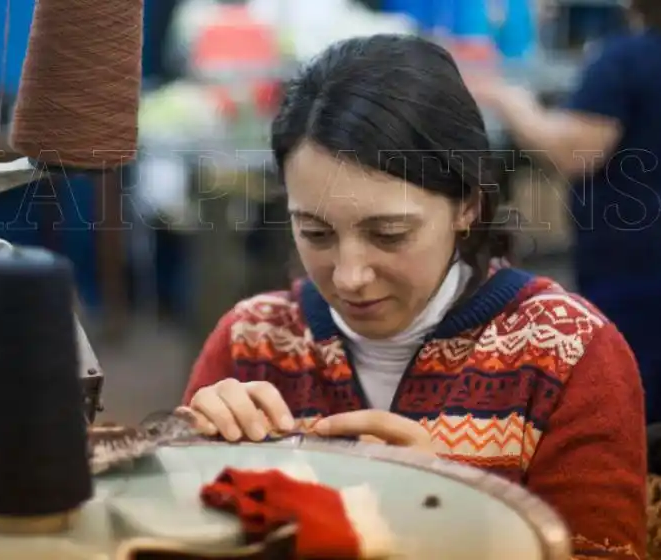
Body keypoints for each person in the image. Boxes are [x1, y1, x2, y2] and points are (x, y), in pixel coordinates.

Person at [181, 35, 647, 559]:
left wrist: (454, 514)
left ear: (467, 206)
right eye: (315, 233)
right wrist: (186, 461)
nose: (351, 276)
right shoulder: (253, 345)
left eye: (390, 234)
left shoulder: (566, 355)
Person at [469, 0, 661, 426]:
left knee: (632, 400)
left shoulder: (625, 59)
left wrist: (511, 100)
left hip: (636, 270)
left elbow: (573, 151)